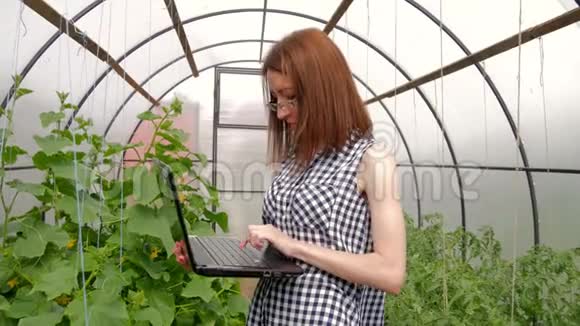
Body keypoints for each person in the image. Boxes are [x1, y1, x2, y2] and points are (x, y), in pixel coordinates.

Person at [175, 27, 406, 325]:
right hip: (270, 313)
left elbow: (390, 273)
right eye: (275, 99)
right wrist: (207, 260)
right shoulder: (295, 160)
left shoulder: (373, 161)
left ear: (325, 92)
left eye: (291, 98)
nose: (281, 112)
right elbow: (284, 254)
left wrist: (293, 245)